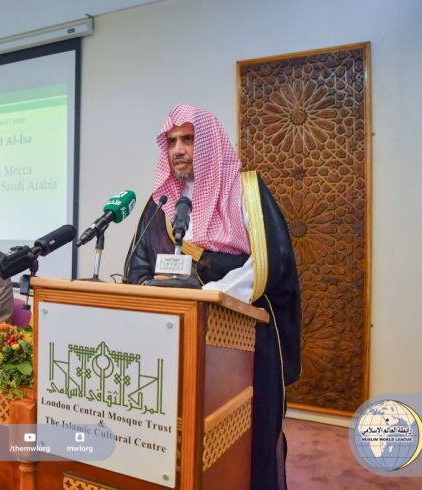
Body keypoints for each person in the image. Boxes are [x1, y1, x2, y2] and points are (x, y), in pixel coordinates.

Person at [125, 105, 301, 490]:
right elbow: (135, 270)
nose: (178, 150)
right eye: (171, 142)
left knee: (244, 438)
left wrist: (211, 295)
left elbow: (268, 262)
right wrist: (154, 292)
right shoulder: (161, 204)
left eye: (188, 139)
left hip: (242, 338)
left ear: (208, 142)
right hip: (171, 341)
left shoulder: (245, 190)